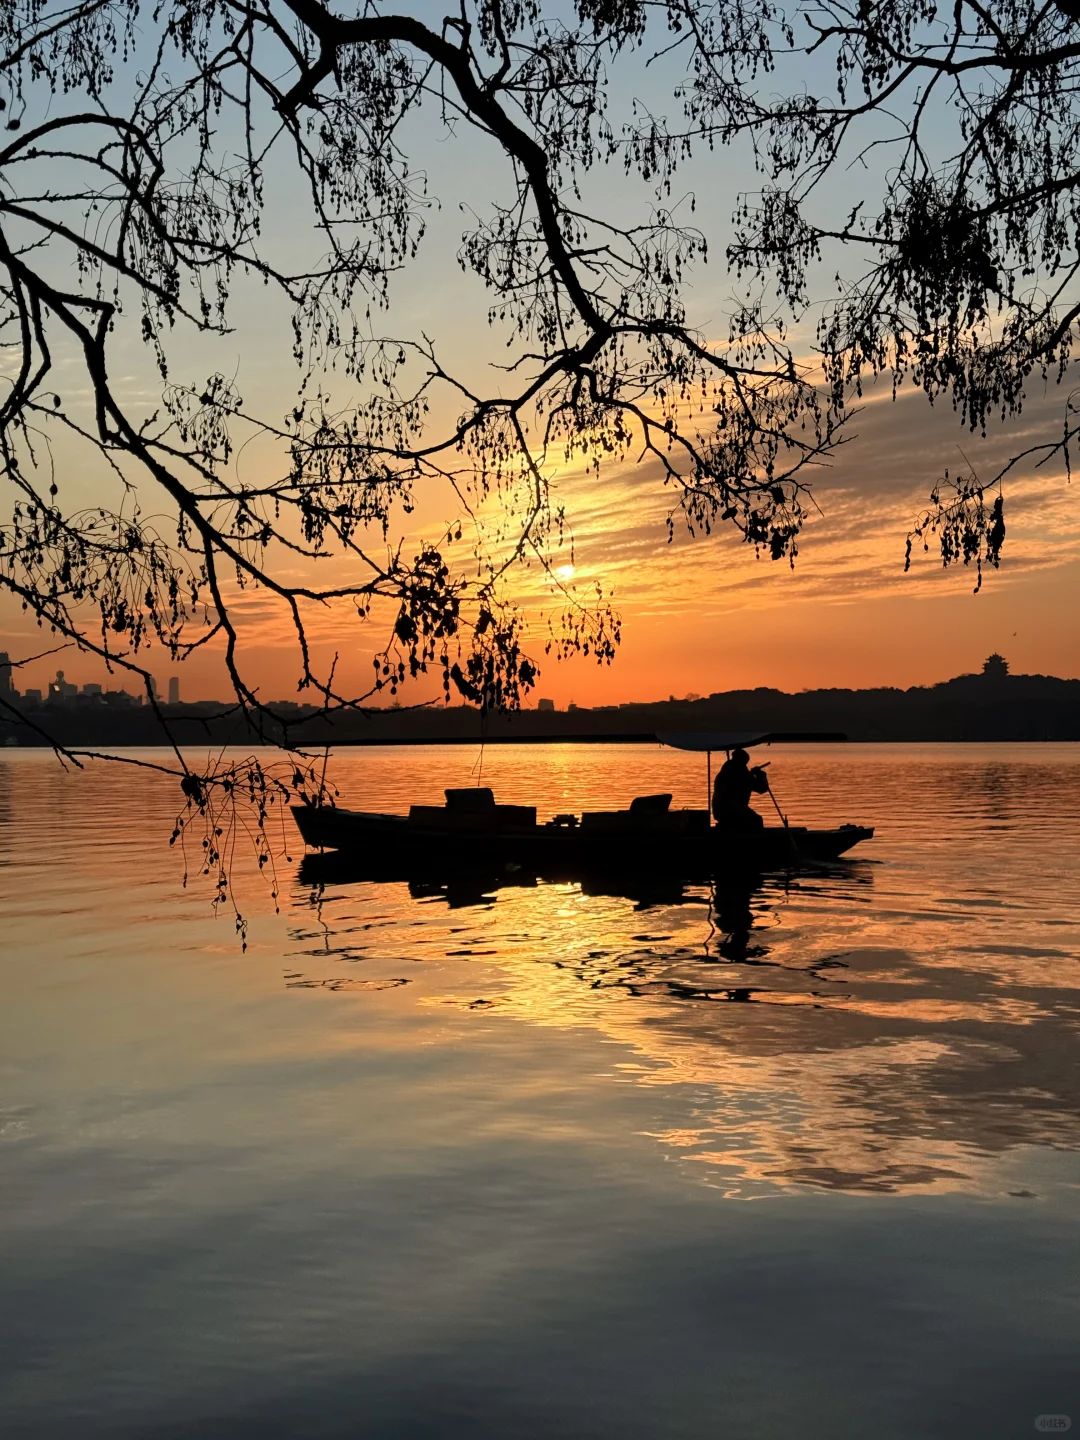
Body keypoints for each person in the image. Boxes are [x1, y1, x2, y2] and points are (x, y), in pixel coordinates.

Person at [712, 748, 767, 832]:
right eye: (744, 762)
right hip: (731, 811)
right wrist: (761, 775)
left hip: (719, 812)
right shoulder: (742, 774)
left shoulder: (723, 773)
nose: (745, 765)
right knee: (757, 820)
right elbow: (762, 789)